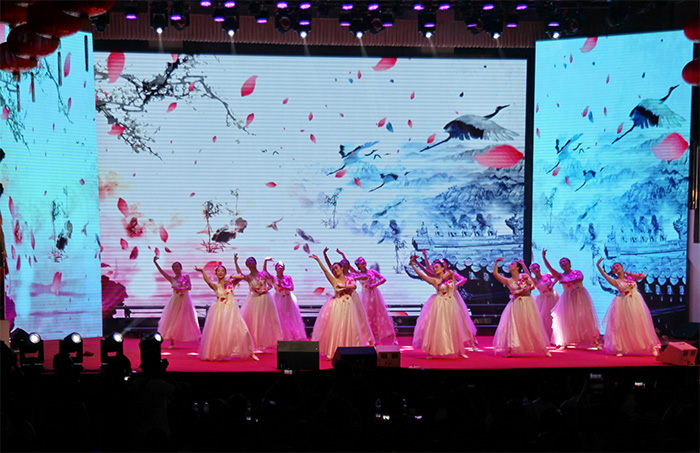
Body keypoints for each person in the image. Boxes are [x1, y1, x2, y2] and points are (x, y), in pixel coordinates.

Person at [409, 255, 477, 359]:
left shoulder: (450, 275)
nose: (434, 269)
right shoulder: (434, 280)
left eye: (437, 267)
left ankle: (460, 350)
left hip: (452, 304)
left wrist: (442, 279)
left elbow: (450, 272)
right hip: (440, 305)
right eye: (433, 268)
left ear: (442, 268)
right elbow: (422, 275)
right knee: (437, 327)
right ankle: (431, 351)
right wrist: (413, 264)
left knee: (455, 326)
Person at [309, 254, 374, 359]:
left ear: (341, 268)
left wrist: (343, 287)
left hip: (349, 306)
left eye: (336, 268)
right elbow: (325, 271)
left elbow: (354, 286)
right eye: (333, 270)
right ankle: (334, 351)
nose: (335, 271)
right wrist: (318, 260)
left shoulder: (349, 279)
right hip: (338, 306)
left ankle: (350, 350)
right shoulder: (334, 280)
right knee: (338, 328)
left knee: (350, 328)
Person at [595, 258, 660, 357]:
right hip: (623, 303)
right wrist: (598, 266)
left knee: (640, 323)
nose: (616, 268)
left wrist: (630, 274)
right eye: (613, 268)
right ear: (613, 271)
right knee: (621, 325)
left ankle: (651, 346)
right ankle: (620, 347)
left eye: (617, 266)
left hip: (636, 302)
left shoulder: (631, 278)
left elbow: (643, 276)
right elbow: (604, 275)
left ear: (622, 267)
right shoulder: (616, 282)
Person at [195, 264, 257, 361]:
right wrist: (202, 271)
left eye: (222, 271)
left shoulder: (231, 283)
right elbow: (207, 281)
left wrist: (231, 276)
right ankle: (218, 352)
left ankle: (250, 352)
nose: (220, 273)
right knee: (220, 332)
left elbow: (241, 276)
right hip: (220, 311)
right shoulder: (216, 286)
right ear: (216, 273)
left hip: (232, 310)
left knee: (243, 330)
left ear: (225, 273)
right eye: (218, 271)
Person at [542, 249, 601, 349]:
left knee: (585, 317)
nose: (563, 263)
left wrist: (566, 282)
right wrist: (544, 258)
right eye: (561, 262)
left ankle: (594, 341)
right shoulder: (560, 275)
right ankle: (564, 341)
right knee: (566, 318)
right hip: (567, 298)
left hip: (580, 296)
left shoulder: (576, 272)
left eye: (564, 261)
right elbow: (550, 268)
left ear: (569, 263)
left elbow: (580, 278)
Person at [492, 258, 550, 357]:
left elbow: (532, 286)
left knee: (531, 324)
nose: (510, 266)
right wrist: (496, 262)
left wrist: (519, 291)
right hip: (515, 304)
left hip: (527, 302)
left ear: (517, 267)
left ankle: (543, 348)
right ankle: (509, 348)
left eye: (512, 264)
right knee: (513, 325)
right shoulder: (508, 281)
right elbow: (496, 274)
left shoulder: (524, 276)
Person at [338, 252, 397, 345]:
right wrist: (342, 255)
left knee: (382, 315)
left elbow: (383, 279)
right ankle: (370, 339)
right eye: (361, 261)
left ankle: (393, 338)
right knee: (367, 317)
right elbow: (348, 266)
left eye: (363, 260)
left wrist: (375, 285)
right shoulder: (357, 273)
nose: (363, 262)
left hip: (375, 295)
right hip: (365, 296)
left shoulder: (372, 271)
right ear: (358, 265)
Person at [234, 254, 283, 351]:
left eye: (251, 261)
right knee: (255, 320)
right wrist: (235, 262)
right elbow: (240, 275)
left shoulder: (263, 274)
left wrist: (263, 291)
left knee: (265, 320)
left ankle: (265, 342)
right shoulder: (249, 277)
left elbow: (270, 285)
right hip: (255, 299)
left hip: (265, 298)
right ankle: (255, 343)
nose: (249, 263)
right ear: (246, 265)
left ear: (255, 263)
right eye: (247, 262)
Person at [153, 256, 201, 348]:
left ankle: (199, 338)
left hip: (185, 300)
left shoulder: (186, 276)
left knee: (190, 319)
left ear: (180, 268)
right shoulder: (172, 279)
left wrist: (180, 288)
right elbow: (162, 272)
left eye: (177, 266)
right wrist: (155, 262)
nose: (176, 268)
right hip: (175, 300)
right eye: (174, 267)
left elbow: (189, 287)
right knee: (172, 319)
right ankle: (172, 341)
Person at [264, 259, 307, 341]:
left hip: (288, 299)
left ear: (284, 268)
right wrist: (266, 261)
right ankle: (281, 336)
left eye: (282, 266)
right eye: (278, 266)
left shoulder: (288, 277)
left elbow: (291, 288)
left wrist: (282, 286)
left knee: (290, 317)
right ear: (276, 268)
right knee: (280, 318)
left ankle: (292, 335)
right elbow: (265, 272)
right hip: (278, 299)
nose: (280, 267)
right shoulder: (274, 278)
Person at [524, 262, 559, 344]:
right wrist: (523, 264)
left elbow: (558, 276)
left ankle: (556, 337)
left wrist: (552, 284)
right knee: (546, 318)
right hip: (544, 300)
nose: (536, 269)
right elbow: (527, 274)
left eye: (537, 267)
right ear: (532, 271)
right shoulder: (534, 280)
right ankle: (547, 338)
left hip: (553, 296)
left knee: (556, 316)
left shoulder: (547, 275)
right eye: (534, 269)